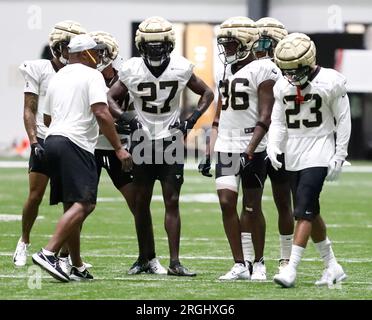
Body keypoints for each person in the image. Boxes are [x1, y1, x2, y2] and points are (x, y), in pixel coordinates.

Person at [108, 16, 214, 276]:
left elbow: (208, 93)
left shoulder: (180, 67)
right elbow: (108, 97)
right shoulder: (132, 68)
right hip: (142, 141)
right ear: (142, 45)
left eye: (159, 44)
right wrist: (126, 117)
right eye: (151, 44)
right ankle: (145, 258)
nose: (155, 49)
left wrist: (189, 122)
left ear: (169, 43)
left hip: (169, 141)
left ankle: (175, 262)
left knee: (172, 201)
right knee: (141, 202)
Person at [32, 34, 132, 282]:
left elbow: (46, 119)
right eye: (95, 51)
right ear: (83, 52)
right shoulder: (92, 75)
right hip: (74, 144)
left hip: (52, 141)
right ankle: (48, 252)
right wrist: (118, 148)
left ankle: (75, 265)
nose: (99, 56)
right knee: (85, 203)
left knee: (71, 204)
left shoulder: (59, 76)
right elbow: (101, 111)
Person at [269, 33, 351, 288]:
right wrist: (273, 145)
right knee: (310, 211)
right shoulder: (282, 86)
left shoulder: (330, 81)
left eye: (297, 70)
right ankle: (332, 266)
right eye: (287, 71)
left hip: (319, 150)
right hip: (293, 153)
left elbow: (344, 119)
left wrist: (340, 154)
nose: (292, 76)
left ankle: (290, 269)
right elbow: (279, 121)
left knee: (302, 210)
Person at [201, 16, 278, 281]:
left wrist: (251, 147)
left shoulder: (264, 69)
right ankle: (239, 263)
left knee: (251, 207)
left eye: (232, 44)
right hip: (226, 145)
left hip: (253, 146)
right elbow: (219, 115)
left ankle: (258, 262)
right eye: (225, 44)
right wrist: (208, 150)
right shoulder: (225, 71)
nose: (227, 49)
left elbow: (266, 115)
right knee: (226, 202)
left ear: (246, 42)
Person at [90, 30, 166, 275]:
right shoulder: (85, 76)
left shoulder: (127, 75)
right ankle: (68, 258)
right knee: (79, 202)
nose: (97, 56)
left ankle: (149, 258)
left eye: (101, 51)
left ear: (111, 53)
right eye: (94, 51)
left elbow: (139, 112)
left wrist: (128, 127)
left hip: (121, 147)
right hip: (90, 146)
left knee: (138, 204)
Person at [13, 20, 86, 267]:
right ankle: (23, 241)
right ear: (57, 47)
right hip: (45, 139)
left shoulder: (81, 72)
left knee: (73, 201)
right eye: (67, 47)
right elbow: (29, 110)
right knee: (35, 196)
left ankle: (65, 256)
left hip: (70, 140)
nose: (70, 52)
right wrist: (34, 142)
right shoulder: (39, 69)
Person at [247, 17, 294, 272]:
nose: (260, 47)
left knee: (283, 201)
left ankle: (286, 258)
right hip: (253, 140)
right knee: (250, 203)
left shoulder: (291, 72)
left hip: (282, 142)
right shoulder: (250, 69)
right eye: (257, 41)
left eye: (266, 41)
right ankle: (252, 260)